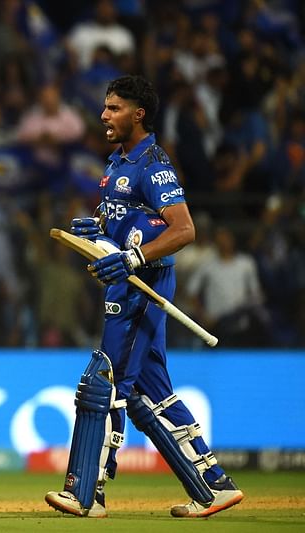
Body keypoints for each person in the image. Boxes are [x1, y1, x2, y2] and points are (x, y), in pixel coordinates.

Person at [44, 75, 243, 518]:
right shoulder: (117, 163)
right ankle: (213, 485)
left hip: (143, 286)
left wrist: (133, 260)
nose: (104, 115)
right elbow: (124, 223)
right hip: (126, 283)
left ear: (138, 114)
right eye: (105, 106)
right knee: (147, 392)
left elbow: (184, 229)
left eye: (114, 108)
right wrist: (97, 233)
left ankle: (86, 492)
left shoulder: (154, 165)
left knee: (104, 379)